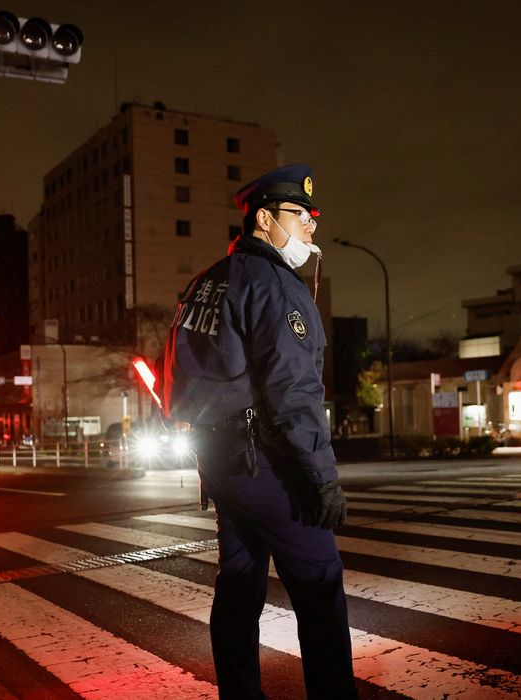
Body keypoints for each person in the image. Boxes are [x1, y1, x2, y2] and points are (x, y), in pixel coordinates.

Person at [160, 164, 356, 699]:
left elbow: (171, 377)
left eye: (314, 216)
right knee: (319, 584)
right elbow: (294, 392)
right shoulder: (275, 287)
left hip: (219, 460)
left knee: (241, 584)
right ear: (265, 219)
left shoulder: (204, 283)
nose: (312, 225)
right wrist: (321, 477)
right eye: (301, 214)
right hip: (265, 459)